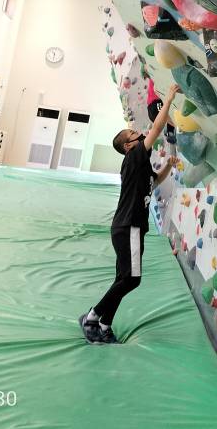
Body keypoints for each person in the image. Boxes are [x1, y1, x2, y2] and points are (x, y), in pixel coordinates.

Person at [79, 83, 180, 344]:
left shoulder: (139, 166)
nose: (141, 134)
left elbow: (154, 182)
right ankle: (92, 316)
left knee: (123, 278)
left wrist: (168, 166)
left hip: (128, 228)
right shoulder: (134, 155)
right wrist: (168, 98)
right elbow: (157, 128)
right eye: (135, 134)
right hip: (129, 227)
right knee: (132, 279)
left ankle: (104, 325)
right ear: (128, 146)